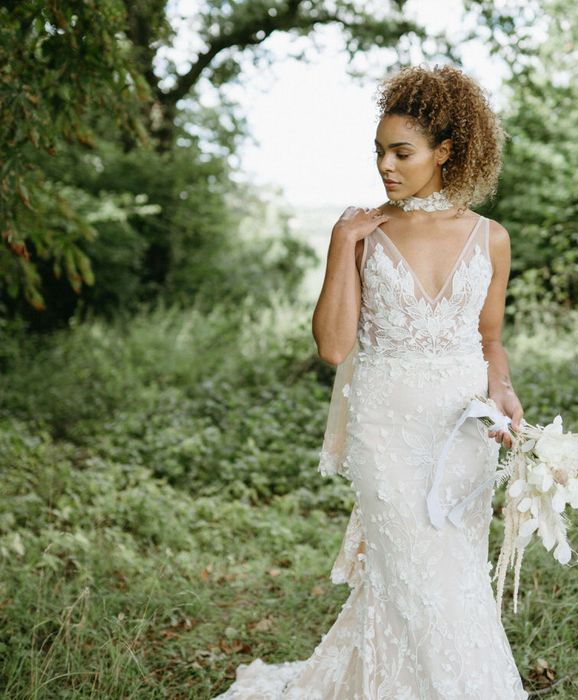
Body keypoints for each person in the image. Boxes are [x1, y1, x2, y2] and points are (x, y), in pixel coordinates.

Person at [213, 64, 529, 699]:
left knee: (454, 575)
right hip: (385, 428)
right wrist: (341, 240)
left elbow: (490, 338)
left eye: (401, 152)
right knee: (407, 570)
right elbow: (333, 346)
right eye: (380, 151)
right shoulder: (363, 235)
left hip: (463, 432)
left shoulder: (491, 239)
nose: (386, 165)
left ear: (445, 152)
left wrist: (505, 391)